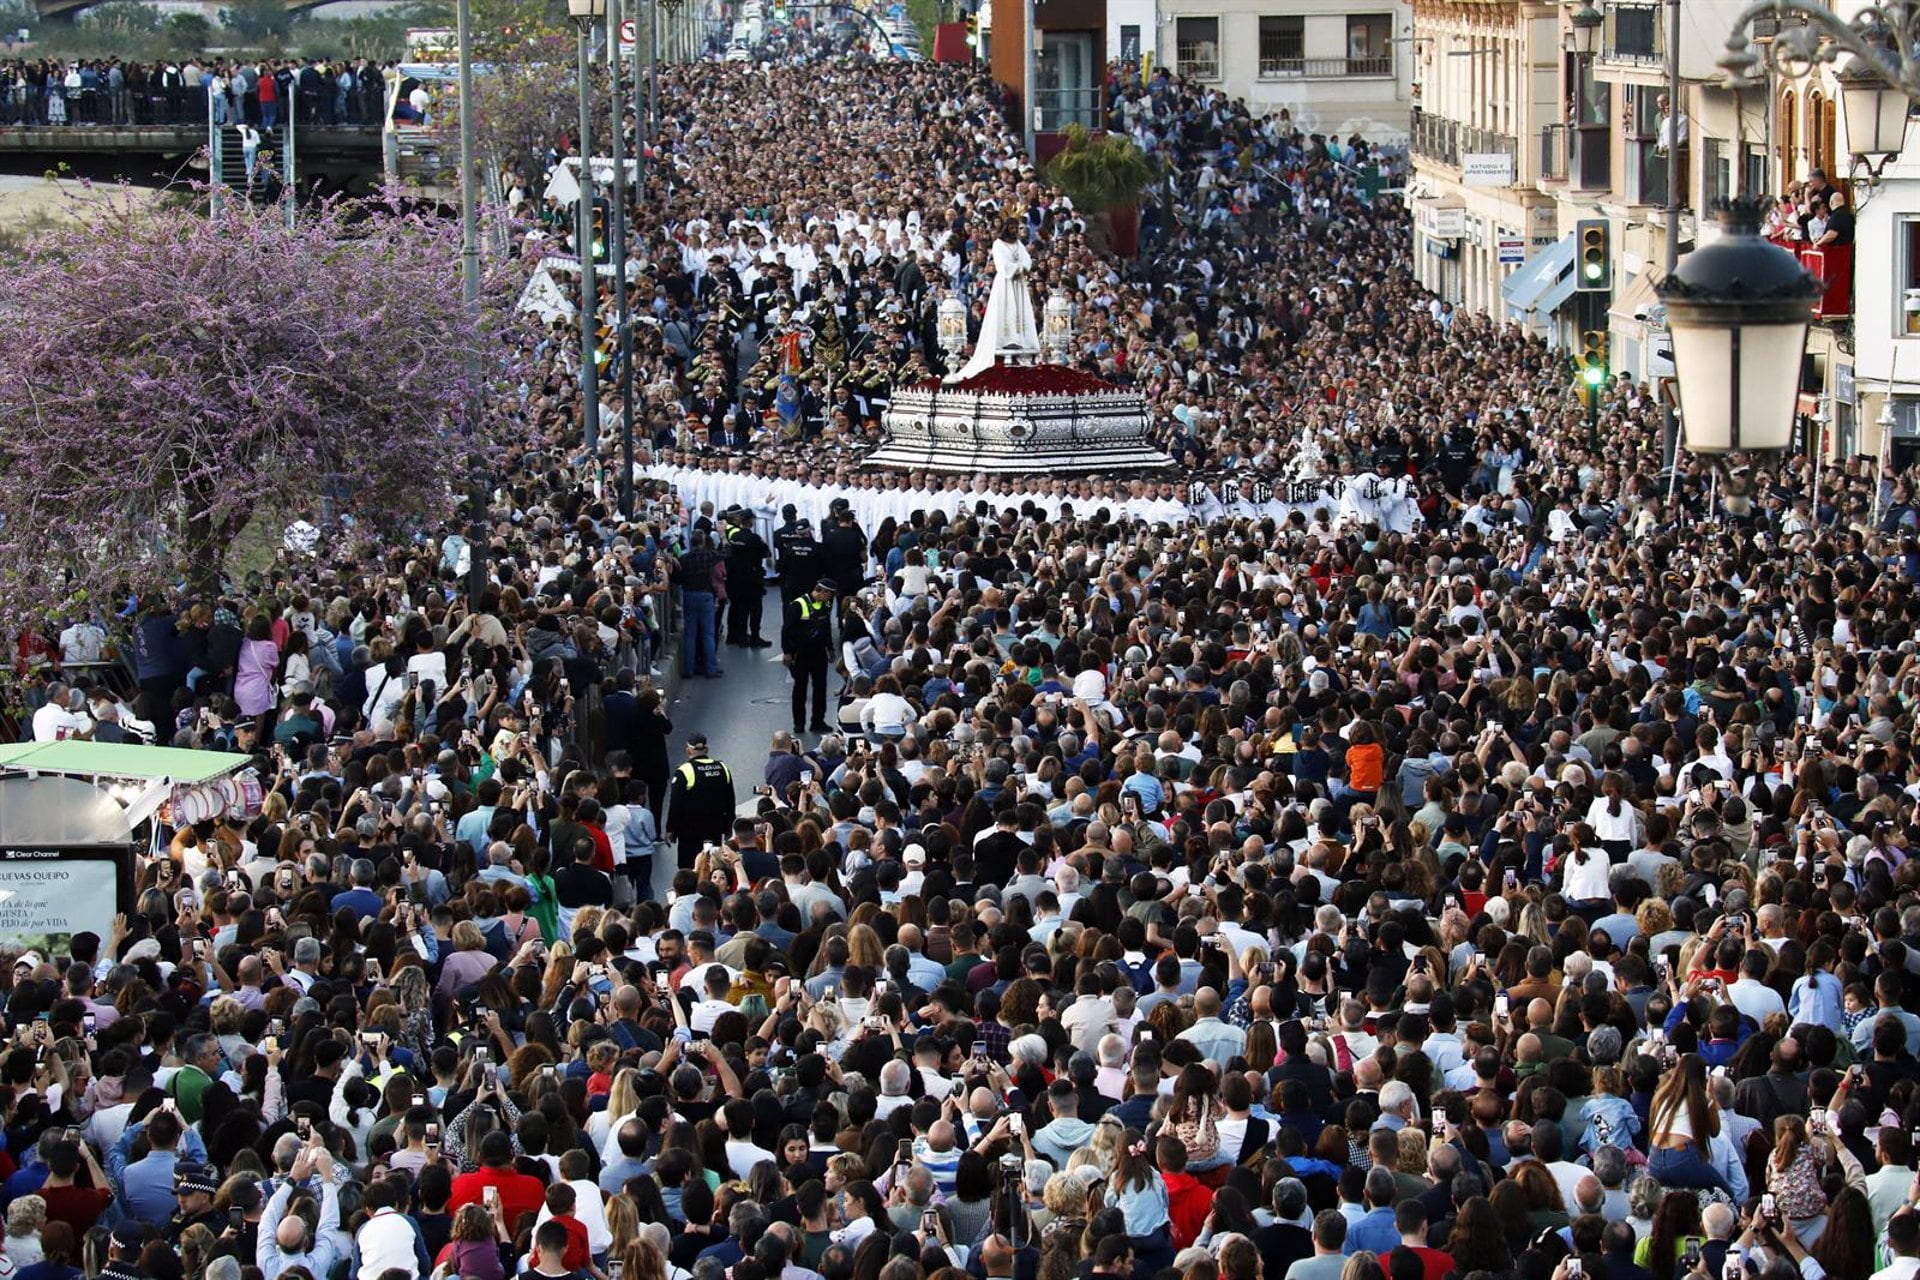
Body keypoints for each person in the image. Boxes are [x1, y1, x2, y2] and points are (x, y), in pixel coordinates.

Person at [666, 731, 734, 868]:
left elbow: (675, 804)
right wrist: (728, 827)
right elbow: (730, 800)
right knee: (713, 866)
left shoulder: (684, 771)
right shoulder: (722, 768)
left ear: (688, 750)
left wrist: (671, 829)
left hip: (690, 834)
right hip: (715, 831)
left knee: (690, 868)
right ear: (707, 749)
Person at [783, 577, 836, 737]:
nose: (831, 599)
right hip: (801, 653)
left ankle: (817, 721)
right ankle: (799, 723)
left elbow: (826, 627)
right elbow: (786, 629)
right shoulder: (798, 605)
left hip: (819, 652)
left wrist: (830, 648)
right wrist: (787, 652)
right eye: (830, 595)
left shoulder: (825, 605)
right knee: (800, 688)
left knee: (820, 687)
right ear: (823, 591)